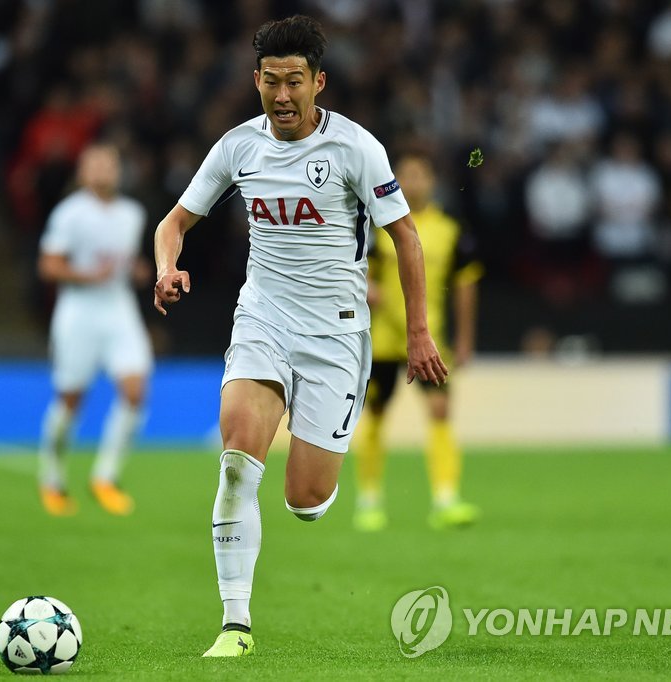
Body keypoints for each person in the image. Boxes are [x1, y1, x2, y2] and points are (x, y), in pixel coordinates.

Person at [152, 16, 448, 658]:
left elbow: (406, 238)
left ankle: (316, 462)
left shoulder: (356, 148)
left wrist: (419, 333)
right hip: (263, 318)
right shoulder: (237, 147)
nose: (282, 96)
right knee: (237, 460)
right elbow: (172, 224)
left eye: (294, 82)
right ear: (255, 79)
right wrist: (166, 268)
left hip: (335, 335)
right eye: (271, 81)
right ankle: (235, 626)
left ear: (319, 82)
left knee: (305, 500)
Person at [354, 152, 482, 532]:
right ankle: (369, 501)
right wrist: (368, 288)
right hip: (383, 339)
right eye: (405, 175)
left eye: (419, 175)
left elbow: (465, 285)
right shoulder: (378, 225)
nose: (412, 182)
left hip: (430, 339)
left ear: (432, 181)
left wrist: (465, 339)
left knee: (440, 411)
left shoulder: (449, 230)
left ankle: (446, 499)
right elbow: (358, 272)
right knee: (376, 414)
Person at [36, 143, 152, 517]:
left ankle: (105, 476)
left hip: (119, 308)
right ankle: (52, 479)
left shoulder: (132, 214)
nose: (103, 171)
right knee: (71, 398)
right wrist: (87, 276)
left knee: (135, 392)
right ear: (82, 173)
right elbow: (48, 265)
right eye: (95, 165)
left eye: (109, 165)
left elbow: (125, 259)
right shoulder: (70, 214)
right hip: (79, 310)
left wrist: (137, 270)